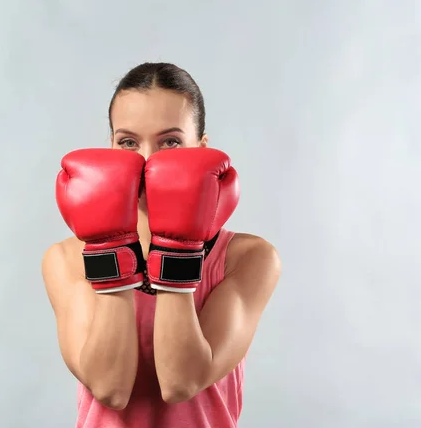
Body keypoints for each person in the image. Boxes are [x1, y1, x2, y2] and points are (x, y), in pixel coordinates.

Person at [42, 62, 281, 428]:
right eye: (128, 142)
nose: (147, 162)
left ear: (201, 149)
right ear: (110, 149)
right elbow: (110, 388)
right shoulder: (66, 259)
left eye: (170, 142)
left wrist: (178, 247)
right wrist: (111, 246)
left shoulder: (248, 259)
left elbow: (181, 382)